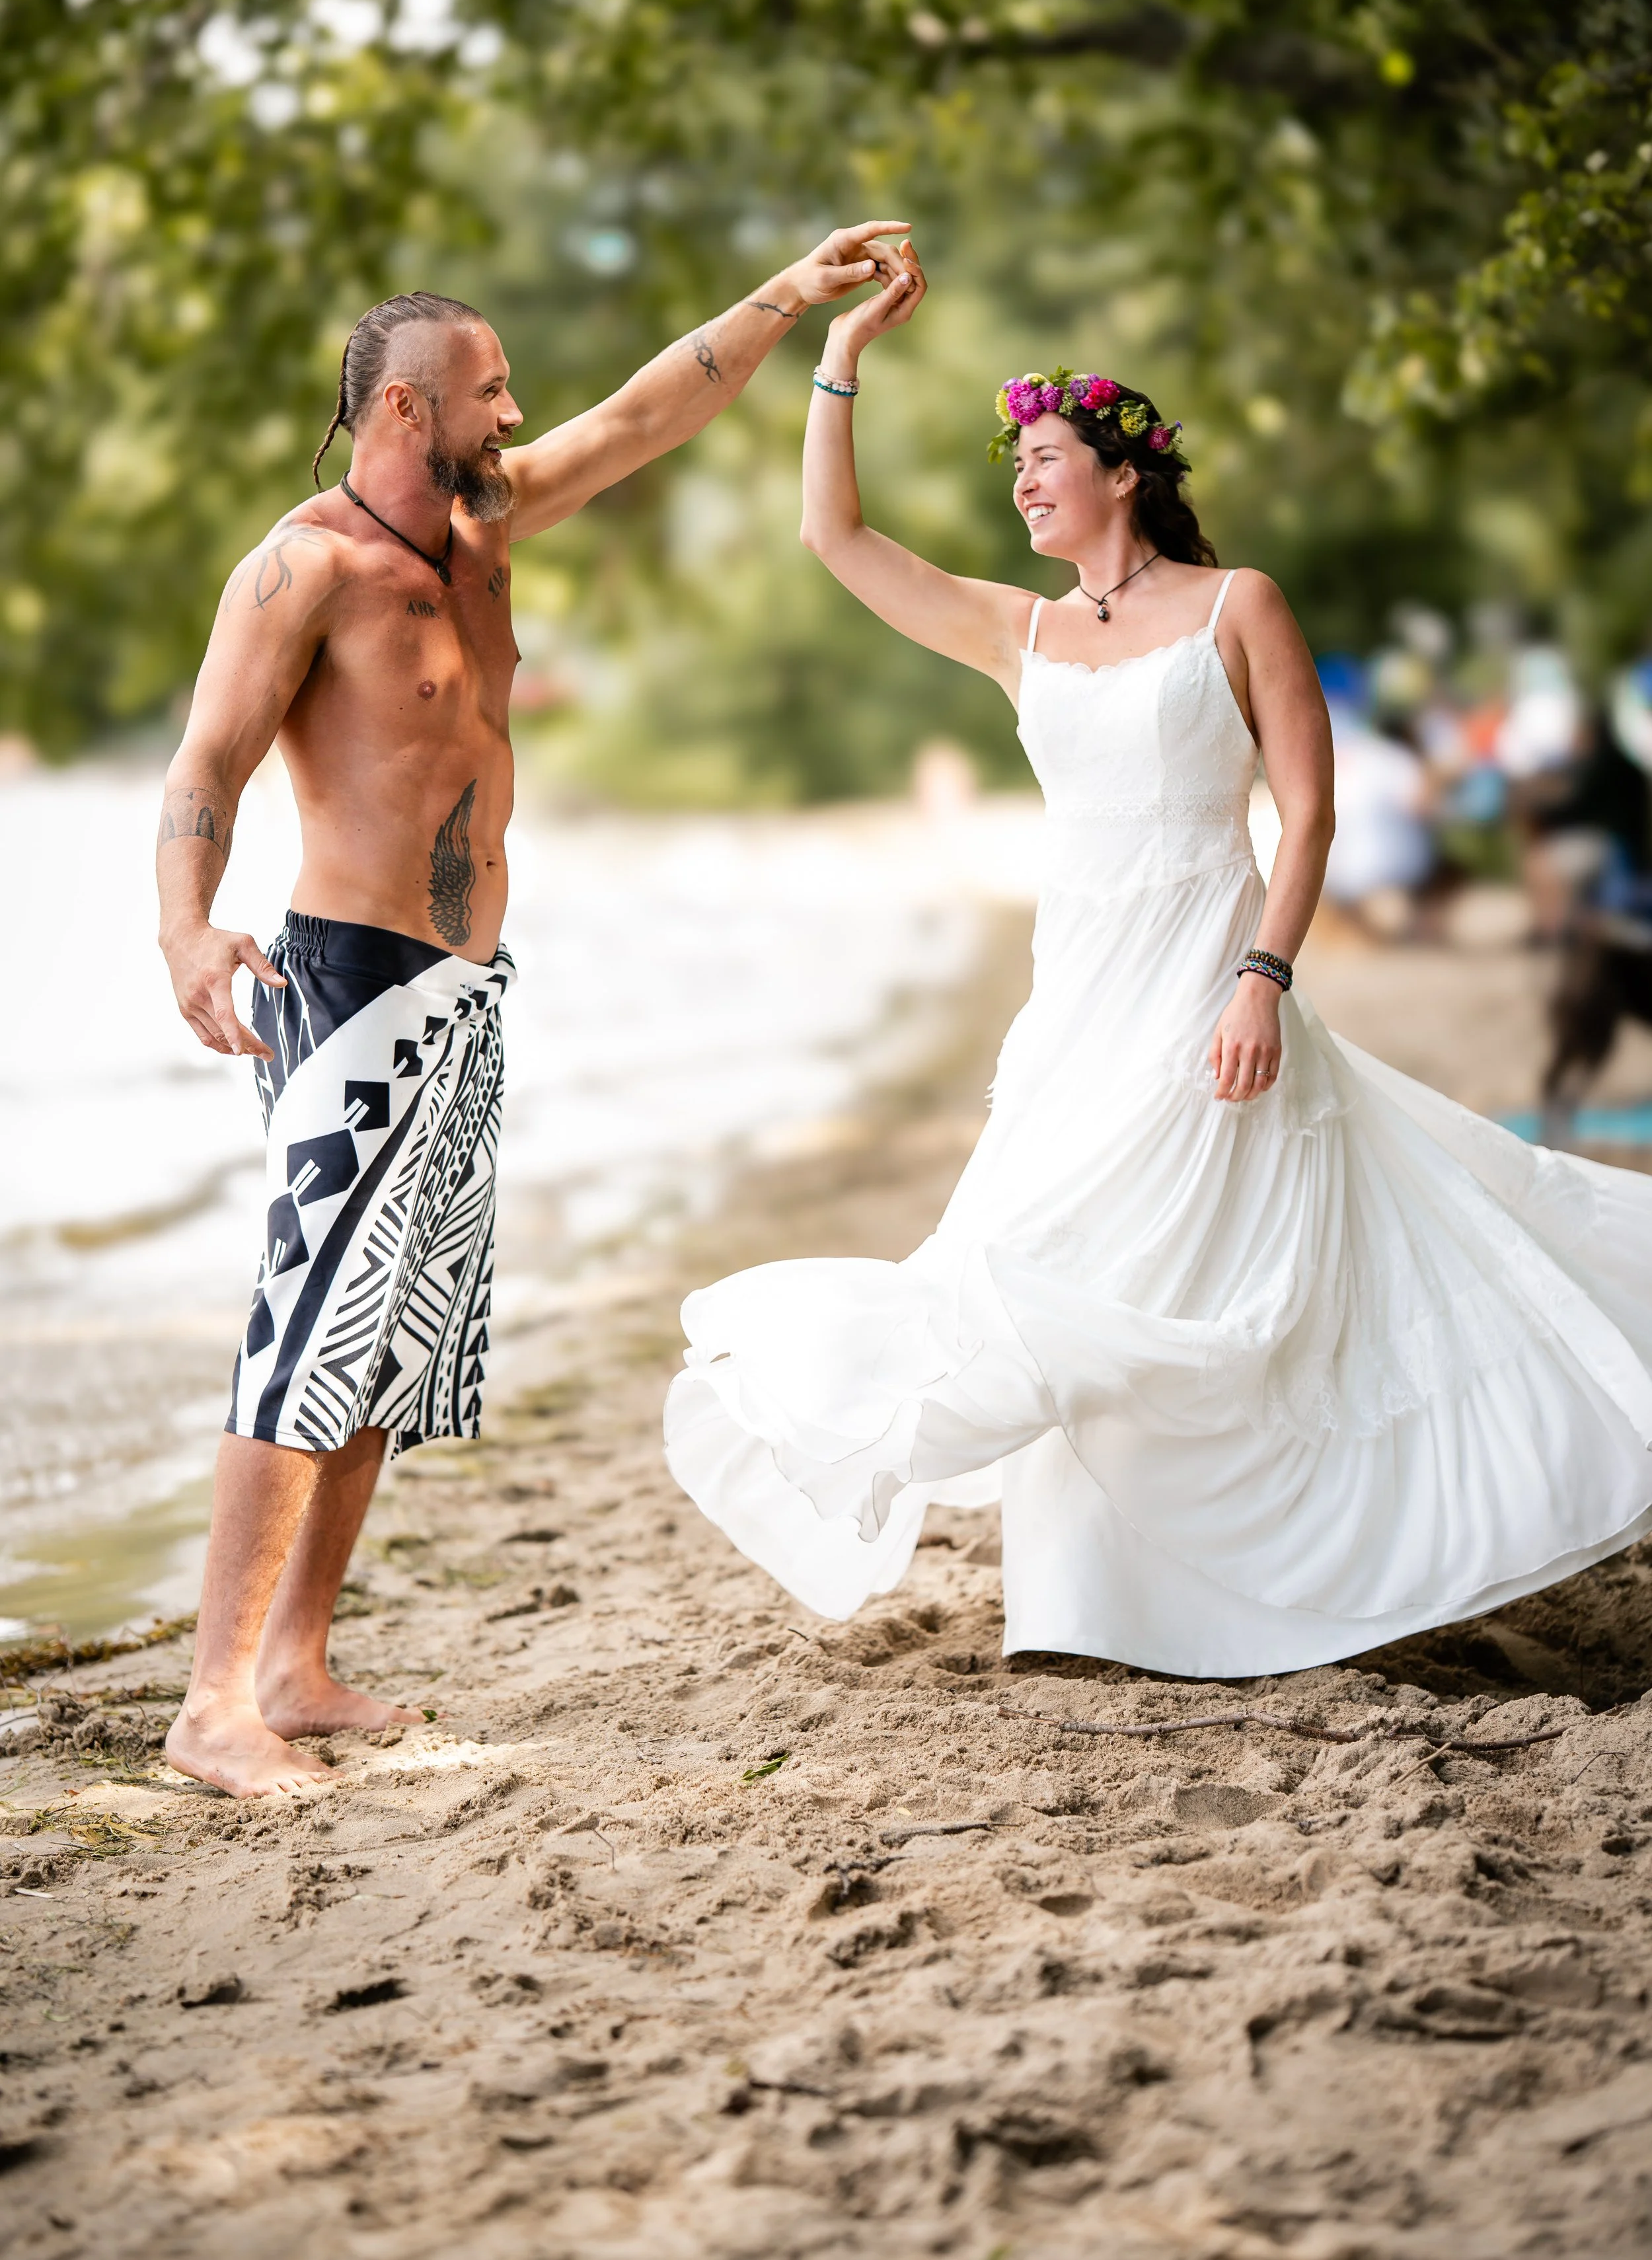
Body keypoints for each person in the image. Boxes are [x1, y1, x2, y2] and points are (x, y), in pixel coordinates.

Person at [663, 260, 1652, 1676]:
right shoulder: (1018, 631)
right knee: (1050, 1271)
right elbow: (835, 536)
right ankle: (1087, 1605)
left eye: (1045, 457)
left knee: (1214, 1282)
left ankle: (1295, 1571)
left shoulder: (1239, 604)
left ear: (1123, 473)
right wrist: (843, 355)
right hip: (1074, 1011)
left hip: (1207, 993)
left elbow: (1307, 814)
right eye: (1015, 464)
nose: (1023, 481)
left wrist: (1262, 979)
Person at [158, 223, 913, 1797]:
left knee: (382, 1343)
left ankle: (294, 1665)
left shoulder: (485, 524)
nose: (512, 414)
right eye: (487, 390)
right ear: (404, 408)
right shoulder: (302, 568)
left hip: (464, 992)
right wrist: (186, 933)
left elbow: (644, 416)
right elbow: (206, 765)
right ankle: (210, 1704)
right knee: (302, 1328)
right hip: (349, 984)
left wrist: (787, 294)